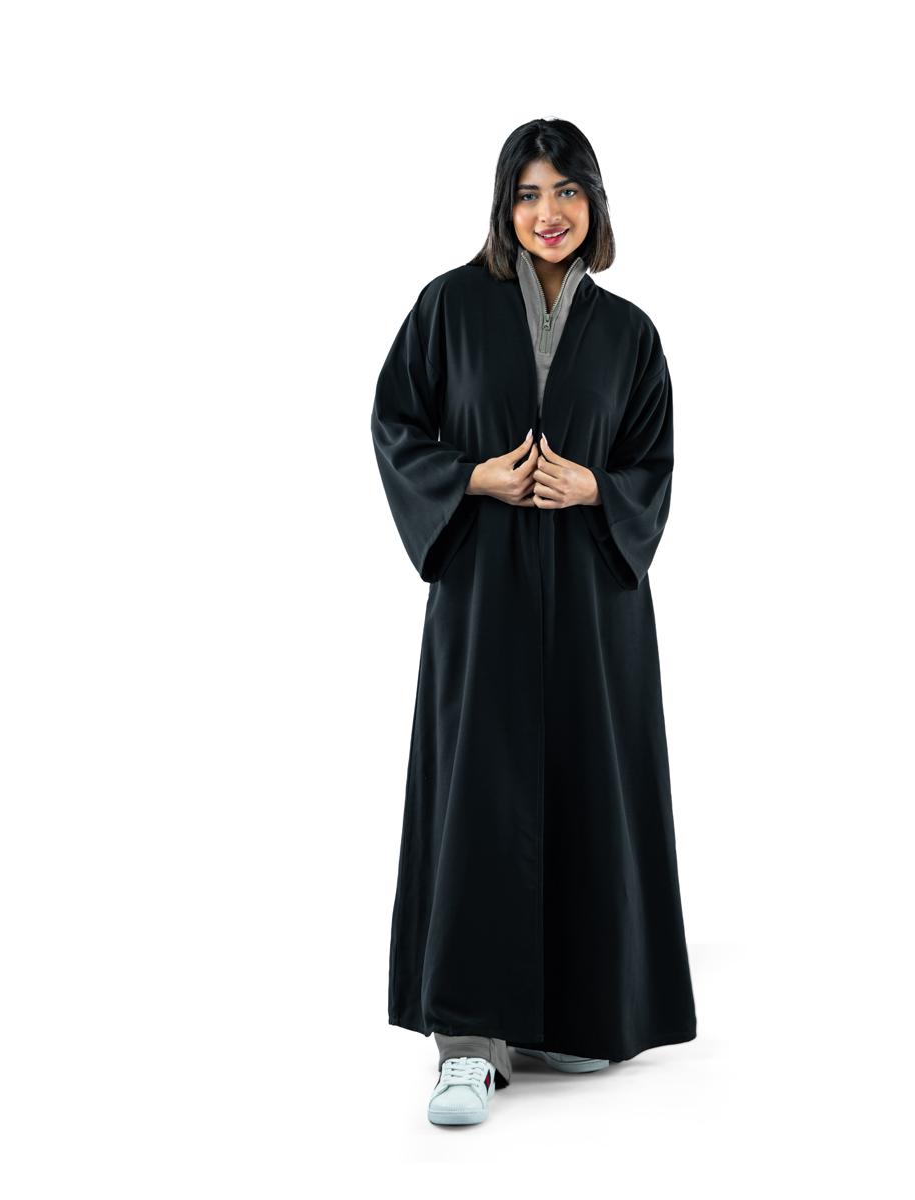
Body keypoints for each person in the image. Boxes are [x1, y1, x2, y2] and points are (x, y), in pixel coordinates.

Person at [371, 118, 696, 1127]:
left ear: (593, 202)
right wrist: (472, 477)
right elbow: (396, 423)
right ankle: (469, 1044)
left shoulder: (630, 332)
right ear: (502, 207)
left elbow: (652, 463)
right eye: (527, 193)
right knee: (479, 797)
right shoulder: (449, 306)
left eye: (566, 191)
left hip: (596, 600)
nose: (547, 213)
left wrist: (597, 489)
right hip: (485, 593)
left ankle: (575, 1015)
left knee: (589, 785)